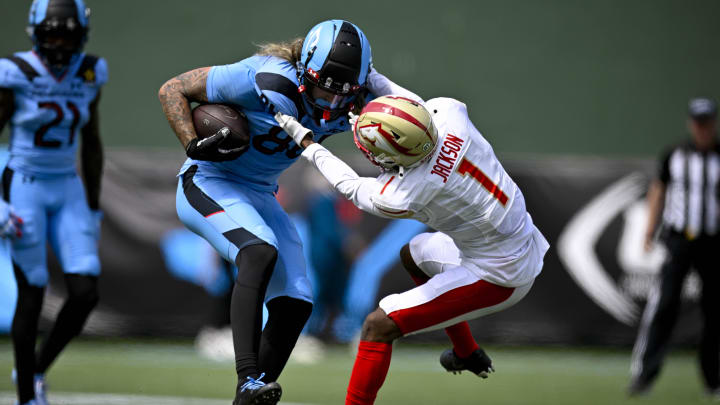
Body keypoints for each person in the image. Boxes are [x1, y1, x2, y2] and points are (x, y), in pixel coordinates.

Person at [157, 19, 420, 405]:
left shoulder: (358, 96)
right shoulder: (261, 75)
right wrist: (192, 143)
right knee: (258, 252)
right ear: (304, 71)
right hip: (210, 180)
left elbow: (410, 110)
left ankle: (249, 399)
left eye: (341, 95)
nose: (330, 105)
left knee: (297, 299)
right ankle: (247, 377)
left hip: (260, 193)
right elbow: (172, 88)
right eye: (322, 90)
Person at [274, 95, 549, 405]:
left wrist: (308, 143)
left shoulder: (406, 193)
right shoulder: (450, 114)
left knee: (378, 325)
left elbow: (349, 185)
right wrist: (368, 86)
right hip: (508, 241)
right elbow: (410, 102)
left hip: (499, 273)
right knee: (413, 253)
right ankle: (466, 353)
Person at [0, 1, 107, 404]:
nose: (60, 43)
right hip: (24, 184)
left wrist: (94, 205)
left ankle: (36, 370)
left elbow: (92, 142)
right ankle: (27, 395)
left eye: (67, 34)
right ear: (35, 33)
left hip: (67, 186)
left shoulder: (89, 71)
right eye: (52, 34)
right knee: (33, 291)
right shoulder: (16, 72)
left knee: (85, 293)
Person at [629, 98, 720, 397]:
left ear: (713, 124)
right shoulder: (676, 155)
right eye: (698, 122)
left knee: (714, 312)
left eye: (707, 122)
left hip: (712, 242)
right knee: (664, 304)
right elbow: (659, 190)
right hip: (680, 240)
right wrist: (649, 230)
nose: (703, 128)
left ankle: (713, 379)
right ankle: (644, 374)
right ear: (691, 124)